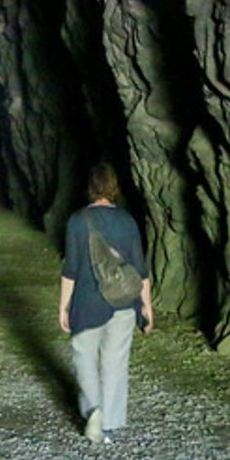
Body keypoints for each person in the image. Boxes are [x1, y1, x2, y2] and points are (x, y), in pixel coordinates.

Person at [58, 162, 154, 443]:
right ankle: (110, 423)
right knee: (115, 361)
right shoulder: (127, 221)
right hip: (123, 302)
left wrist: (63, 306)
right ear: (114, 187)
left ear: (90, 187)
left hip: (87, 304)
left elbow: (71, 270)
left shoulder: (77, 221)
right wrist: (146, 306)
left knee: (84, 357)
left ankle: (93, 412)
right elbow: (140, 269)